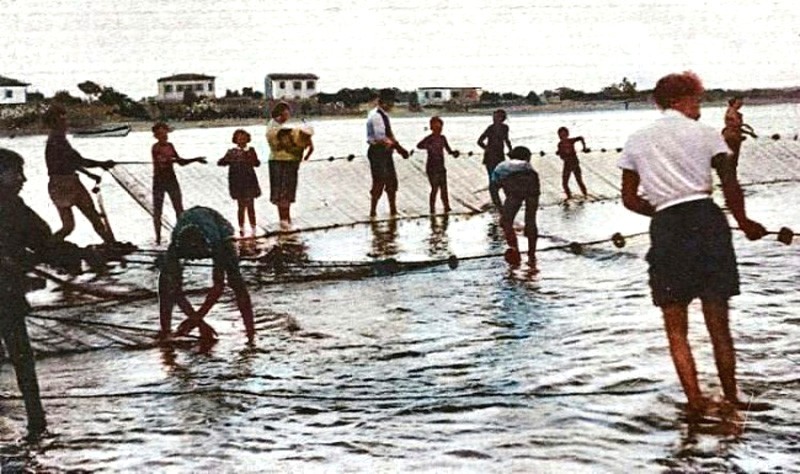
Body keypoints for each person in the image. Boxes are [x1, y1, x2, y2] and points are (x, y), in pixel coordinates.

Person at [617, 71, 767, 418]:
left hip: (667, 227)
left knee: (676, 326)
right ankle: (731, 399)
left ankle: (696, 402)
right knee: (719, 324)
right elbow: (730, 183)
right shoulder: (705, 135)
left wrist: (662, 211)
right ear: (682, 99)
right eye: (697, 99)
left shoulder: (637, 140)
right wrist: (745, 223)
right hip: (707, 221)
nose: (699, 106)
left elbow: (628, 199)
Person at [0, 148, 92, 440]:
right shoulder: (12, 207)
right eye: (17, 172)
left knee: (22, 358)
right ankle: (36, 425)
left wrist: (78, 253)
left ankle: (36, 428)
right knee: (22, 359)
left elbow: (43, 242)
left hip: (9, 294)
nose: (23, 178)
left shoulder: (15, 206)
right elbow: (43, 245)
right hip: (7, 295)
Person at [157, 206, 255, 344]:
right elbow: (175, 291)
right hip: (192, 225)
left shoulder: (216, 243)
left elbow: (218, 286)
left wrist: (196, 319)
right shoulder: (175, 247)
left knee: (236, 282)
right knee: (165, 283)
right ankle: (165, 331)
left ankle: (251, 335)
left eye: (195, 255)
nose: (193, 260)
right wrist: (198, 322)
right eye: (189, 256)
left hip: (221, 230)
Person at [43, 104, 116, 244]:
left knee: (68, 226)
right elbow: (79, 160)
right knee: (93, 217)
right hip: (67, 185)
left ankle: (47, 248)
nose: (66, 123)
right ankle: (111, 244)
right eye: (62, 120)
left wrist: (89, 175)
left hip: (57, 185)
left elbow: (69, 163)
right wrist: (102, 163)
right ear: (54, 123)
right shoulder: (58, 141)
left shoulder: (55, 140)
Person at [151, 121, 206, 245]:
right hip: (159, 180)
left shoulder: (170, 146)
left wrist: (196, 159)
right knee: (158, 210)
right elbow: (163, 161)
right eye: (159, 134)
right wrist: (171, 160)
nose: (163, 135)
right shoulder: (155, 147)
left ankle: (182, 235)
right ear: (156, 136)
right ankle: (158, 238)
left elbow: (180, 162)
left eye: (164, 133)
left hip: (171, 179)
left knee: (179, 208)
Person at [490, 146, 540, 266]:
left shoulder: (501, 166)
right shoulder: (528, 165)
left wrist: (501, 209)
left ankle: (515, 251)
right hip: (532, 180)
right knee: (531, 220)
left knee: (506, 222)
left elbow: (493, 190)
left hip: (515, 183)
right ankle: (531, 255)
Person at [266, 102, 314, 225]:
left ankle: (285, 219)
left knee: (282, 193)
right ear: (282, 113)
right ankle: (285, 220)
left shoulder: (275, 126)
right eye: (287, 112)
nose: (289, 115)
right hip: (283, 162)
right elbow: (286, 145)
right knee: (285, 193)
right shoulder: (277, 128)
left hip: (280, 161)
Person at [366, 88, 410, 217]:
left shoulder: (384, 116)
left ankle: (393, 210)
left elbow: (390, 136)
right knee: (379, 181)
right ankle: (373, 211)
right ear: (383, 102)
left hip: (386, 153)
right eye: (390, 102)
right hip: (377, 152)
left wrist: (398, 147)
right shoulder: (376, 116)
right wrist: (398, 148)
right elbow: (381, 138)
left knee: (391, 182)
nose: (392, 105)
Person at [217, 129, 261, 238]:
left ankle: (253, 227)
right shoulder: (231, 151)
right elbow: (221, 162)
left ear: (247, 139)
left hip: (249, 180)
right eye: (239, 137)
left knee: (251, 205)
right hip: (237, 181)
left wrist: (250, 158)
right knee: (240, 206)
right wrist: (227, 159)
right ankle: (241, 228)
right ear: (235, 140)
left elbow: (257, 163)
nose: (241, 139)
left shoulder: (251, 150)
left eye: (243, 137)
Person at [416, 116, 459, 214]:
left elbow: (449, 151)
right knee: (434, 187)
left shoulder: (443, 138)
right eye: (436, 127)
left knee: (444, 188)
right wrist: (429, 147)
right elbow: (419, 145)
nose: (438, 129)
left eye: (440, 127)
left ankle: (446, 207)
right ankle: (432, 208)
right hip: (431, 166)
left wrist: (454, 153)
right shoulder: (429, 138)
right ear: (431, 128)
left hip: (441, 166)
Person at [477, 109, 512, 208]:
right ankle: (497, 202)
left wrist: (511, 150)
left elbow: (506, 140)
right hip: (490, 158)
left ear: (502, 119)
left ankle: (504, 202)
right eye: (494, 117)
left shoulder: (505, 128)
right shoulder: (490, 128)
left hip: (500, 157)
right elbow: (479, 141)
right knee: (492, 179)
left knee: (503, 179)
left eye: (497, 117)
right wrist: (487, 149)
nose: (494, 119)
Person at [722, 96, 758, 171]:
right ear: (733, 104)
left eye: (741, 103)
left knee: (733, 158)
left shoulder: (734, 112)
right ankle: (730, 177)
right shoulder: (732, 112)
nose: (740, 105)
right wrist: (748, 131)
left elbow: (738, 126)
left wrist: (748, 132)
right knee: (732, 158)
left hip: (735, 136)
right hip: (732, 136)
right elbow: (737, 125)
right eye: (738, 103)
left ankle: (732, 177)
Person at [555, 126, 589, 199]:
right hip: (567, 163)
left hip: (574, 161)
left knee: (579, 180)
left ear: (567, 134)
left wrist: (584, 147)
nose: (563, 136)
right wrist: (559, 153)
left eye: (564, 135)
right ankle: (569, 196)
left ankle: (585, 194)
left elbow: (581, 138)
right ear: (559, 136)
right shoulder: (560, 144)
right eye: (561, 135)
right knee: (565, 183)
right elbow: (561, 156)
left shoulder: (571, 141)